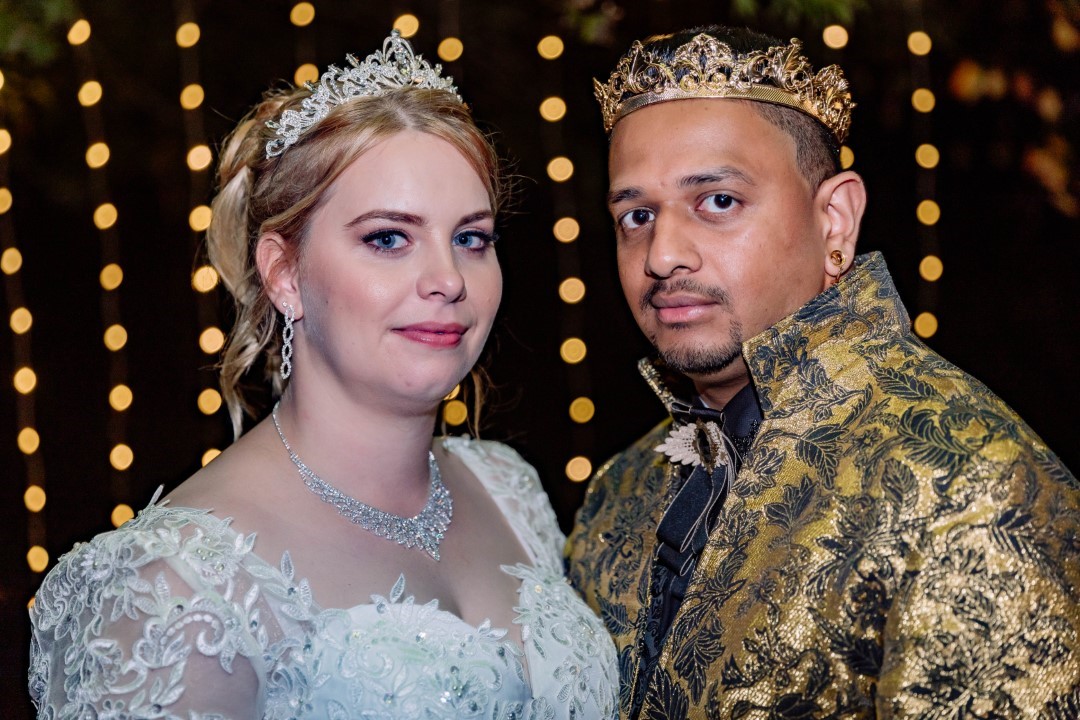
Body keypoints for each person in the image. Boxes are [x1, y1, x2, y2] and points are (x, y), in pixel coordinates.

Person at [29, 31, 617, 719]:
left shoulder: (508, 489)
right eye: (388, 238)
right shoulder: (175, 586)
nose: (448, 279)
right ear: (284, 273)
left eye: (470, 238)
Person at [566, 24, 1080, 719]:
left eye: (718, 201)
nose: (662, 255)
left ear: (834, 220)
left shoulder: (969, 484)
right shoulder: (620, 490)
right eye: (636, 216)